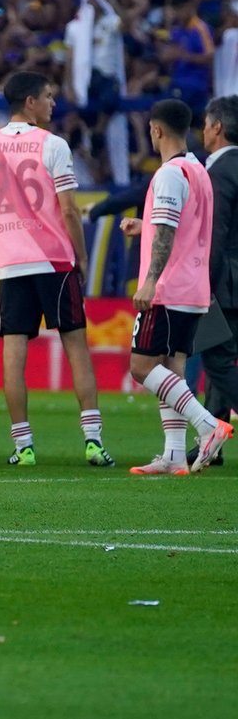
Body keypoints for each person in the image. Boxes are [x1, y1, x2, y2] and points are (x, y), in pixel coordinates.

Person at [0, 71, 112, 467]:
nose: (54, 104)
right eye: (49, 97)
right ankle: (93, 441)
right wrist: (83, 256)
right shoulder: (53, 145)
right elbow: (70, 209)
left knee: (13, 352)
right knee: (75, 345)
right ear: (30, 102)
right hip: (55, 259)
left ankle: (23, 447)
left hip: (11, 263)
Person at [122, 100, 233, 474]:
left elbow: (169, 230)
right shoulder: (199, 170)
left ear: (156, 130)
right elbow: (186, 225)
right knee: (173, 367)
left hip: (168, 288)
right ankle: (172, 456)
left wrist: (150, 280)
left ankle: (207, 425)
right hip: (195, 289)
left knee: (141, 367)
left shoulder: (169, 174)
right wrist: (144, 227)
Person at [196, 95, 238, 429]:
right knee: (219, 356)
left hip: (228, 281)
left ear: (217, 127)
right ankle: (213, 440)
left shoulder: (220, 172)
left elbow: (216, 234)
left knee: (218, 358)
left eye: (206, 124)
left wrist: (204, 283)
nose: (203, 131)